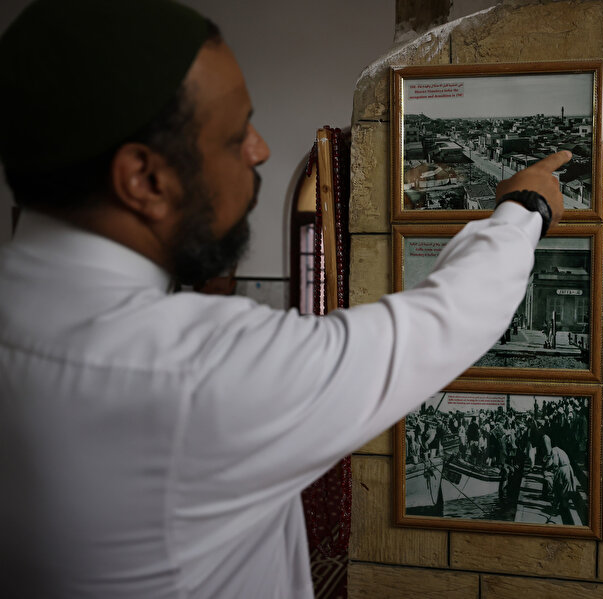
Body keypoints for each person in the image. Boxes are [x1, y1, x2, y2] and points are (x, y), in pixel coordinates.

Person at [0, 1, 571, 596]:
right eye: (234, 135)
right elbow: (446, 322)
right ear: (144, 179)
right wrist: (524, 208)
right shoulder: (194, 371)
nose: (261, 149)